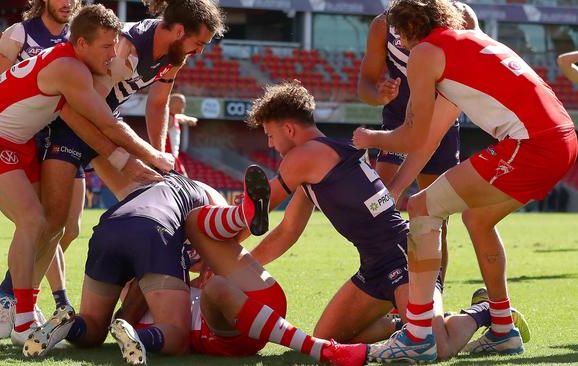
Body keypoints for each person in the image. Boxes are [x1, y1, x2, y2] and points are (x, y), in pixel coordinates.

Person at [352, 0, 577, 361]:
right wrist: (395, 188)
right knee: (477, 218)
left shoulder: (426, 52)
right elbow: (429, 137)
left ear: (408, 28)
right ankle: (503, 329)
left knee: (423, 207)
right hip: (559, 138)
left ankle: (417, 335)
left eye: (400, 36)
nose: (402, 47)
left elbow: (412, 134)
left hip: (533, 144)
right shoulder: (463, 45)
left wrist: (371, 138)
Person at [242, 81, 530, 363]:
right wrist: (242, 267)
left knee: (437, 349)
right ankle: (404, 326)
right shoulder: (313, 163)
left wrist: (225, 258)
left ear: (289, 129)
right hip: (374, 265)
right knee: (328, 335)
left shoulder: (303, 157)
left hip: (405, 257)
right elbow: (287, 232)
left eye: (270, 134)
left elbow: (259, 207)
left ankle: (484, 310)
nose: (269, 143)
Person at [0, 4, 174, 346]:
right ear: (80, 45)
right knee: (32, 221)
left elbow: (83, 123)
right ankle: (20, 322)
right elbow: (107, 122)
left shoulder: (73, 66)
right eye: (106, 47)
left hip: (22, 143)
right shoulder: (70, 69)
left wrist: (125, 161)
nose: (112, 54)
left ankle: (25, 311)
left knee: (54, 226)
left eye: (114, 45)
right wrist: (152, 155)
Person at [23, 168, 369, 366]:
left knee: (94, 327)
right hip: (225, 317)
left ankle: (70, 324)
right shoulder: (199, 200)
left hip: (110, 223)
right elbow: (219, 249)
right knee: (181, 325)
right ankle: (243, 214)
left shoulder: (158, 189)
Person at [357, 1, 479, 284]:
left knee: (436, 219)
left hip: (444, 121)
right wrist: (380, 95)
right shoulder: (384, 25)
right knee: (381, 205)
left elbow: (477, 65)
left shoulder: (461, 16)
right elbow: (365, 85)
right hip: (399, 122)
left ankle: (433, 295)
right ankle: (381, 288)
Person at [0, 0, 84, 339]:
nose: (67, 2)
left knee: (70, 228)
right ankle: (15, 299)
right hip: (26, 140)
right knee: (38, 223)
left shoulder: (80, 40)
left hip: (67, 138)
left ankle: (14, 291)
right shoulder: (19, 34)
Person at [166, 93, 198, 175]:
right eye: (182, 103)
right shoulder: (168, 118)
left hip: (172, 156)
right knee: (184, 180)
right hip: (170, 156)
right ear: (175, 104)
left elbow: (179, 117)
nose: (184, 106)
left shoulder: (172, 116)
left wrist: (188, 119)